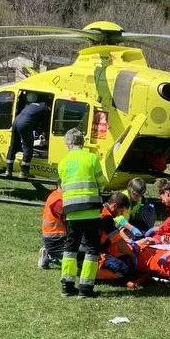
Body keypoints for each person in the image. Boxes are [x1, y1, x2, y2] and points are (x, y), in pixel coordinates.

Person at [58, 128, 107, 298]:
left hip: (71, 212)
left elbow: (62, 186)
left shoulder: (63, 162)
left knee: (70, 247)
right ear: (82, 142)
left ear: (68, 143)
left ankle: (67, 285)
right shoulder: (91, 158)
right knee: (92, 249)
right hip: (91, 211)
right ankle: (86, 289)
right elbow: (102, 183)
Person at [6, 92, 50, 177]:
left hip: (16, 122)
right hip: (24, 124)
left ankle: (8, 170)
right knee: (28, 147)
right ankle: (24, 172)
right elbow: (44, 124)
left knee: (13, 146)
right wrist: (44, 133)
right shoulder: (45, 109)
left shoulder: (33, 105)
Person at [38, 186, 67, 270]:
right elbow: (70, 221)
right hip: (57, 239)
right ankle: (49, 255)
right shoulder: (59, 201)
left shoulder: (55, 195)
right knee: (73, 258)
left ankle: (50, 253)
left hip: (56, 237)